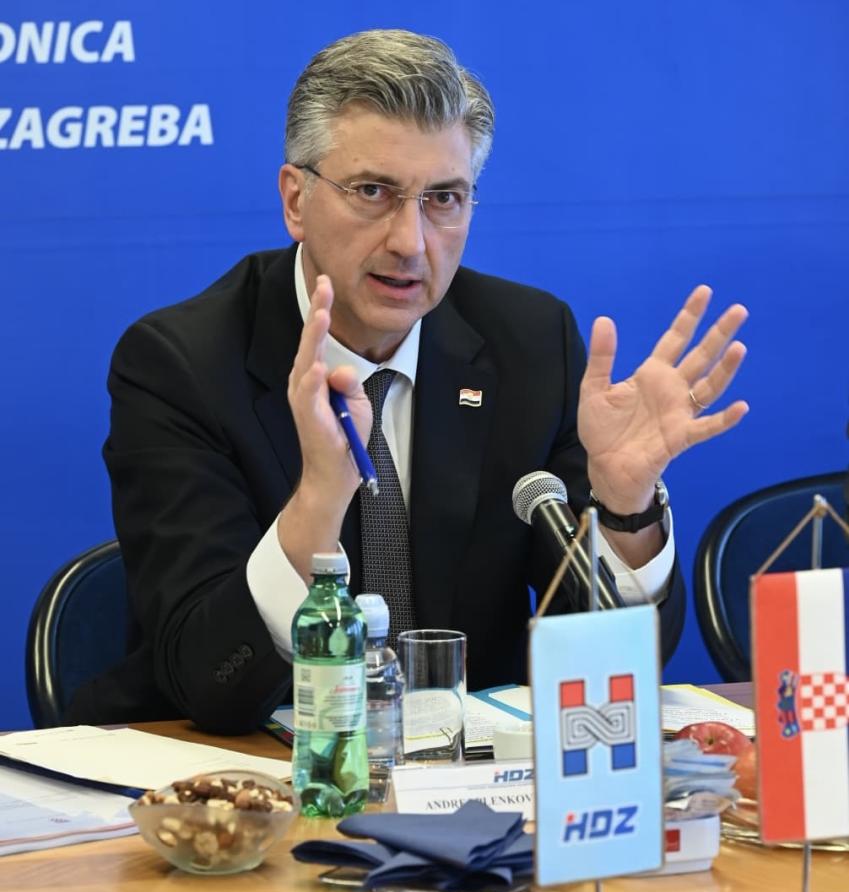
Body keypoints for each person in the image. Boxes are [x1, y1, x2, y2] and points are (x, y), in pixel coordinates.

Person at [65, 30, 748, 732]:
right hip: (246, 766)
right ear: (296, 199)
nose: (410, 241)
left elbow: (615, 664)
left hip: (469, 773)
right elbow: (209, 679)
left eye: (443, 198)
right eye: (373, 192)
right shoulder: (182, 364)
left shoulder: (529, 343)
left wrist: (625, 509)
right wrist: (319, 498)